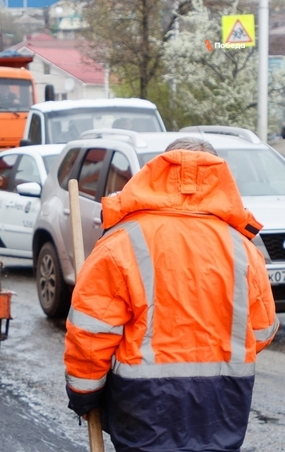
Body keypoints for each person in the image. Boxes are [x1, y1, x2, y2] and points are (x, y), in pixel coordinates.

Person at [64, 137, 279, 451]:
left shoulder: (121, 243)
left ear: (158, 175)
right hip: (221, 405)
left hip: (144, 406)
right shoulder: (244, 249)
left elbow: (91, 334)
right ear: (219, 180)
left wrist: (85, 394)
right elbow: (262, 330)